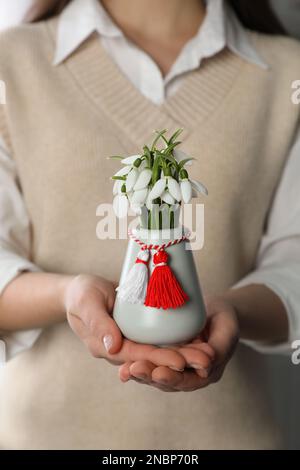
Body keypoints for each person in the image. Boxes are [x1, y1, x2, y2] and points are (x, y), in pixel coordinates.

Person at [0, 0, 299, 450]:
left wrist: (232, 311)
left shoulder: (288, 72)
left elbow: (295, 260)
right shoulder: (13, 62)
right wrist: (68, 294)